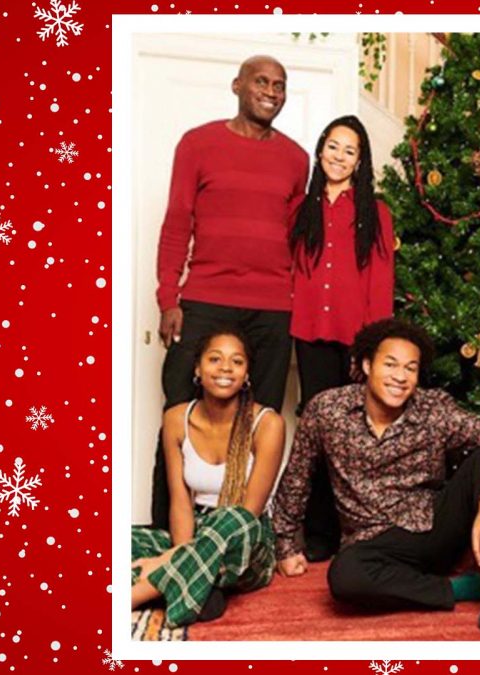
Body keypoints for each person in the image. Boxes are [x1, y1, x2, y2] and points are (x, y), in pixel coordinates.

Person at [270, 318, 480, 641]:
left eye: (410, 368)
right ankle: (463, 587)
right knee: (344, 578)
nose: (400, 376)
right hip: (372, 541)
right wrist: (284, 545)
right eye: (390, 364)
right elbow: (297, 475)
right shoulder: (327, 410)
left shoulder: (433, 409)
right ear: (367, 365)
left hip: (434, 528)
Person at [151, 55, 310, 530]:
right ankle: (167, 530)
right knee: (178, 409)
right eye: (262, 82)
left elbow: (293, 238)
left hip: (272, 308)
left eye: (280, 85)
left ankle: (238, 530)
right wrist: (167, 298)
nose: (271, 91)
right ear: (237, 85)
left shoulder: (296, 158)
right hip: (204, 298)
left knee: (259, 419)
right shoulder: (197, 144)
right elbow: (177, 223)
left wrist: (296, 304)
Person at [288, 115, 395, 562]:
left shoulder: (376, 211)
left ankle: (357, 529)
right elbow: (290, 269)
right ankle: (318, 533)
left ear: (360, 161)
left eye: (349, 150)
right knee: (317, 430)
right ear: (320, 150)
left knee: (353, 435)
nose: (339, 156)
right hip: (309, 332)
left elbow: (381, 281)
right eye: (333, 146)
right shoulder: (298, 208)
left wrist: (373, 346)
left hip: (356, 340)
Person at [131, 328, 285, 628]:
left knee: (231, 519)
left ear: (247, 373)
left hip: (248, 540)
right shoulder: (176, 418)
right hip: (196, 531)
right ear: (198, 369)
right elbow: (180, 501)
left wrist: (163, 560)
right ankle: (201, 591)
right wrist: (180, 550)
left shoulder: (268, 423)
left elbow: (250, 512)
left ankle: (138, 593)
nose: (226, 368)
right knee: (123, 542)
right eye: (215, 359)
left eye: (237, 362)